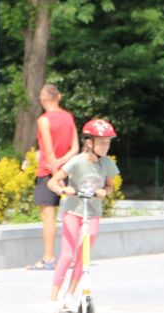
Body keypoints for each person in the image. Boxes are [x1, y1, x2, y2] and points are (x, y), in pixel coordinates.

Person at [46, 118, 120, 313]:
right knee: (68, 254)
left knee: (83, 257)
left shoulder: (107, 164)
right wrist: (65, 190)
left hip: (92, 213)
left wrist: (106, 191)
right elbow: (52, 182)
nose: (106, 146)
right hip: (73, 211)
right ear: (89, 142)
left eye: (108, 142)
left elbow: (110, 185)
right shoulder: (77, 161)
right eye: (102, 142)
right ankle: (54, 298)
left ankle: (70, 295)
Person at [29, 84, 79, 271]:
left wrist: (55, 172)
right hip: (67, 171)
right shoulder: (68, 117)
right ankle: (71, 257)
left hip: (47, 173)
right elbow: (75, 148)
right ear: (58, 97)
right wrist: (63, 166)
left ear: (43, 100)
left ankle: (49, 258)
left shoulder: (44, 120)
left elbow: (48, 151)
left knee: (48, 216)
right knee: (70, 215)